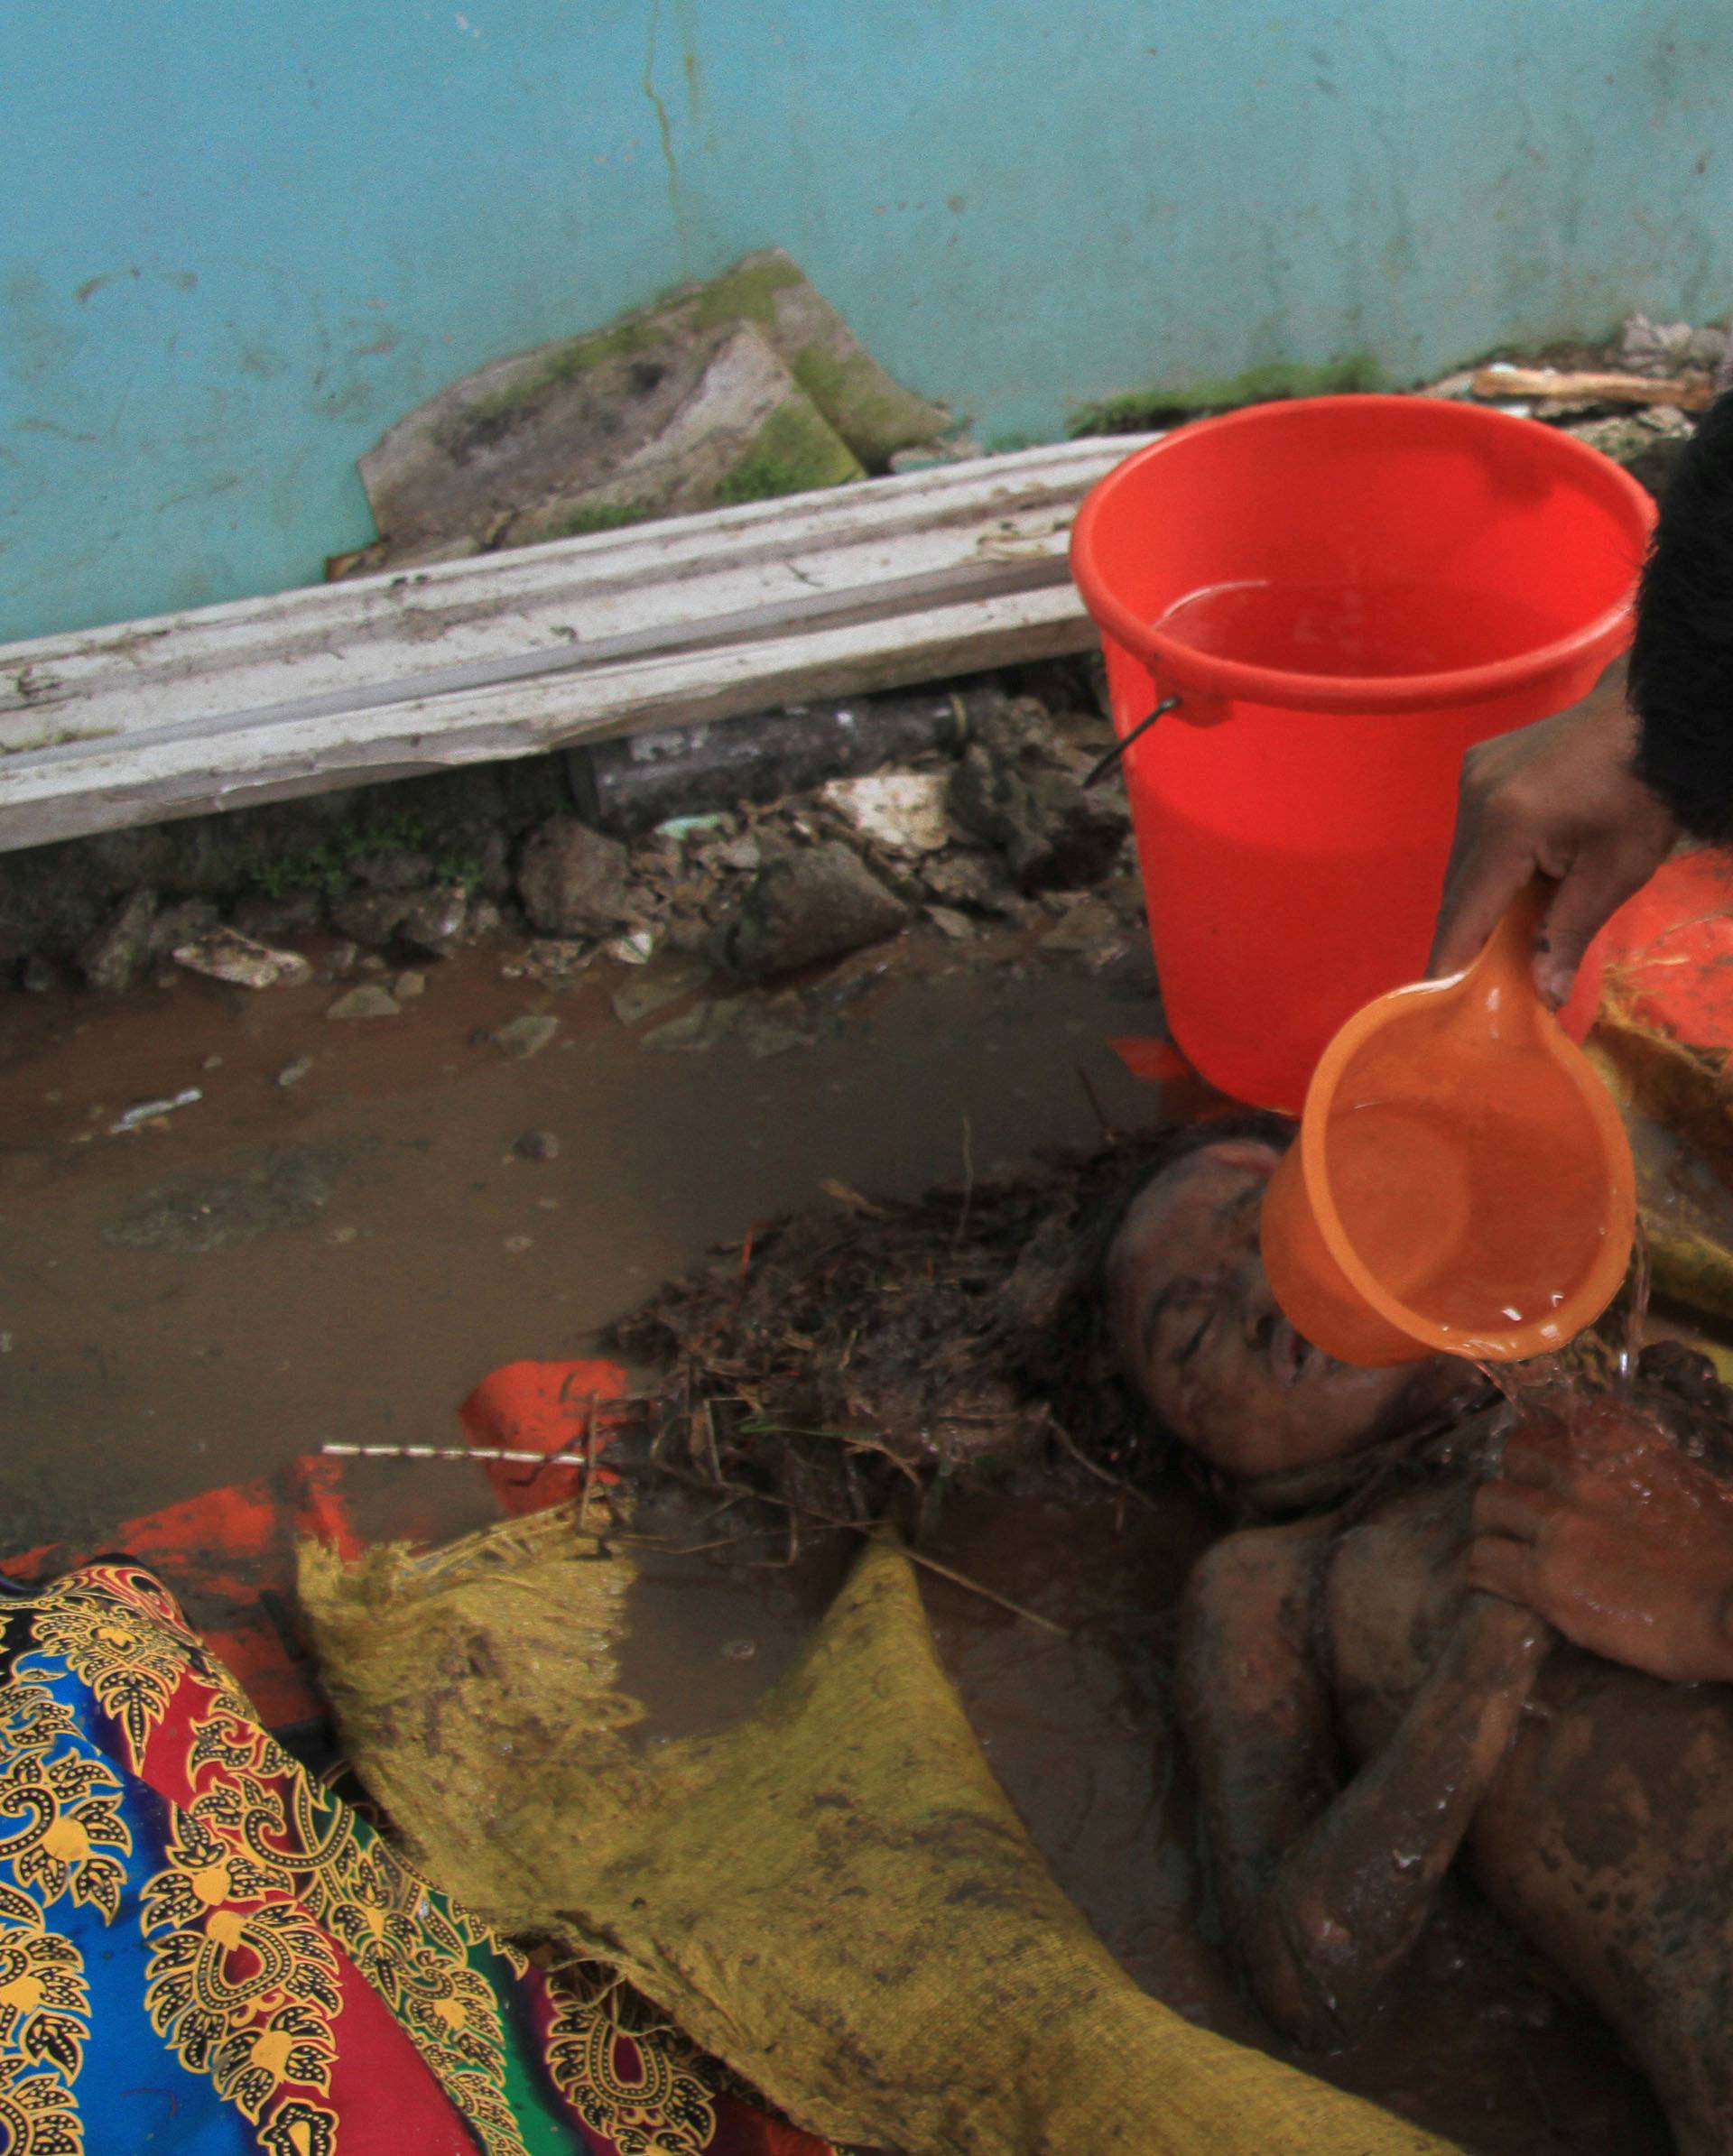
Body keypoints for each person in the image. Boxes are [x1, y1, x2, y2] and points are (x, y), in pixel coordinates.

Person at [1107, 1122, 1733, 2151]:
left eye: (1278, 1229)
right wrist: (1496, 1635)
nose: (1269, 1294)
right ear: (1214, 1471)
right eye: (1191, 1336)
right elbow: (1309, 1977)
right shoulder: (1278, 1579)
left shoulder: (1641, 1383)